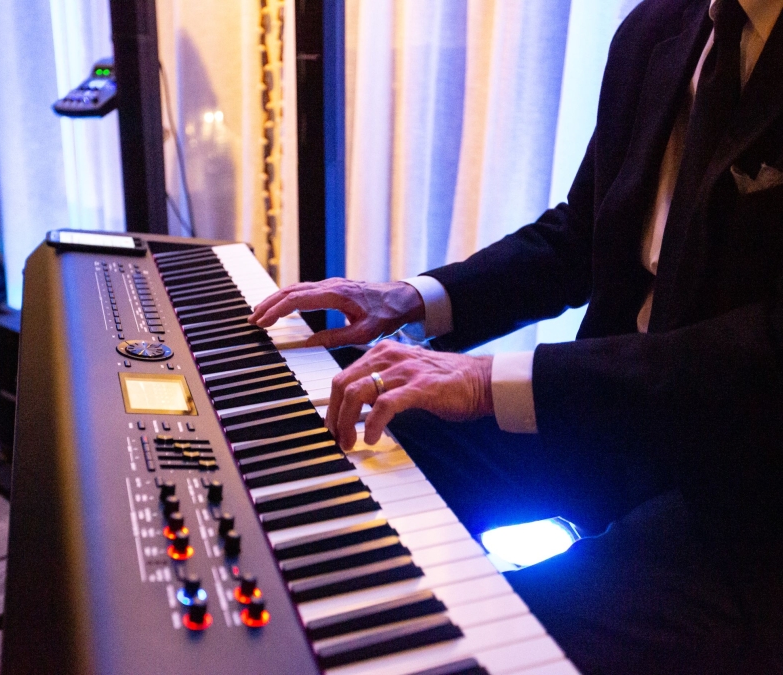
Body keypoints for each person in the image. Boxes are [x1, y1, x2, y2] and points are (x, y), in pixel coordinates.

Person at [249, 0, 783, 672]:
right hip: (605, 424)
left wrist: (484, 381)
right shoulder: (658, 29)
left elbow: (765, 354)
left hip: (743, 499)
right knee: (355, 416)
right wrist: (412, 298)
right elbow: (578, 236)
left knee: (496, 640)